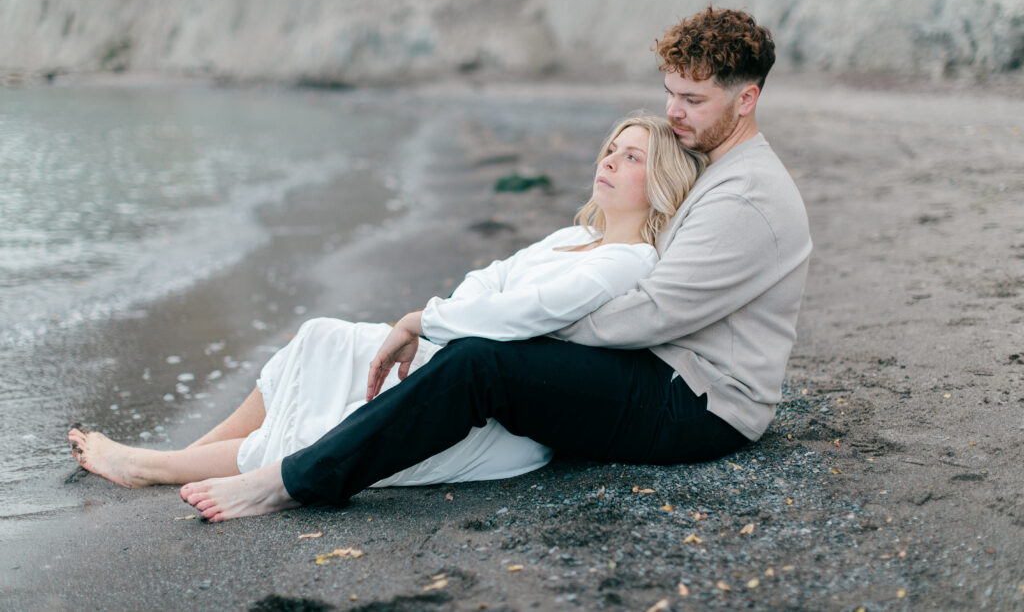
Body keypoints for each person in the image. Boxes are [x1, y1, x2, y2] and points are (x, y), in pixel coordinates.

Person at [176, 7, 812, 523]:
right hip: (664, 369)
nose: (674, 113)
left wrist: (511, 329)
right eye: (670, 93)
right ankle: (240, 452)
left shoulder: (746, 196)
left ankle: (293, 480)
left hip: (699, 406)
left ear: (747, 99)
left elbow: (646, 316)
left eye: (693, 100)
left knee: (482, 364)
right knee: (473, 354)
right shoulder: (718, 167)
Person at [68, 114, 707, 491]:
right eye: (610, 151)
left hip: (499, 417)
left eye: (631, 158)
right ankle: (179, 459)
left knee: (328, 415)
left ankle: (151, 468)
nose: (611, 163)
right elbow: (490, 279)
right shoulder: (579, 236)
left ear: (657, 185)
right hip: (457, 350)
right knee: (320, 339)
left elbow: (524, 314)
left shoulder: (630, 260)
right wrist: (451, 319)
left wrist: (424, 320)